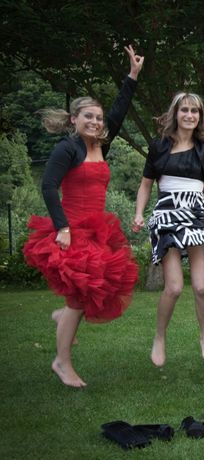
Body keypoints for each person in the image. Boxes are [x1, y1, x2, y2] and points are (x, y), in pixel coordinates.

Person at [22, 45, 144, 388]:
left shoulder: (99, 146)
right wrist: (62, 228)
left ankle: (62, 318)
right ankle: (62, 362)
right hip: (71, 229)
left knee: (95, 292)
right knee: (79, 297)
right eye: (88, 116)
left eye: (98, 118)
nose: (95, 122)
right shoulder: (68, 148)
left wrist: (132, 77)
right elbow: (48, 187)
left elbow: (119, 112)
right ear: (74, 119)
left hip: (96, 230)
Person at [132, 92, 204, 367]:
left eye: (195, 111)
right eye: (184, 110)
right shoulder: (159, 145)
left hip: (196, 212)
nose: (189, 115)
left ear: (200, 116)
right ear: (176, 113)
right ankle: (160, 337)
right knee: (173, 288)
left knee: (201, 287)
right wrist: (139, 213)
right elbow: (146, 184)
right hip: (168, 214)